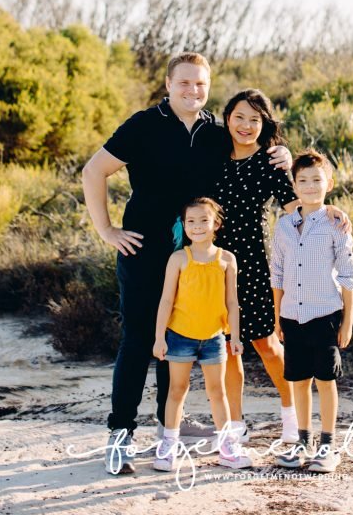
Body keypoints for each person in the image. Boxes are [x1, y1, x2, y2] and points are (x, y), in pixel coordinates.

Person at [81, 52, 291, 475]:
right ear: (168, 84)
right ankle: (119, 436)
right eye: (185, 83)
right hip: (144, 253)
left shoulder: (216, 130)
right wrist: (107, 231)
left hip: (197, 258)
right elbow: (93, 171)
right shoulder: (143, 125)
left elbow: (250, 147)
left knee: (178, 346)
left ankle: (167, 429)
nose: (193, 91)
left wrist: (282, 153)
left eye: (201, 84)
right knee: (140, 342)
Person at [211, 89, 352, 446]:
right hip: (213, 262)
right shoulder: (211, 154)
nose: (245, 126)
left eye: (254, 120)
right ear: (227, 118)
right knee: (227, 347)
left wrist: (330, 213)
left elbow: (298, 208)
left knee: (267, 345)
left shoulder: (271, 163)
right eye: (239, 117)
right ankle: (235, 424)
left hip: (253, 263)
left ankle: (291, 415)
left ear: (265, 124)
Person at [270, 149, 353, 474]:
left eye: (316, 180)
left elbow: (348, 275)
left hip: (325, 316)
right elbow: (277, 273)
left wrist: (347, 321)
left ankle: (327, 445)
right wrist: (279, 316)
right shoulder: (284, 226)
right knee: (299, 381)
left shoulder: (336, 225)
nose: (310, 186)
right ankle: (302, 443)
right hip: (292, 316)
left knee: (325, 380)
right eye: (303, 180)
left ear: (328, 183)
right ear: (293, 185)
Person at [152, 197, 253, 471]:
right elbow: (165, 301)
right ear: (183, 226)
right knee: (177, 390)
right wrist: (159, 337)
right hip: (179, 336)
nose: (197, 226)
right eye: (191, 221)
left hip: (214, 337)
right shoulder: (178, 258)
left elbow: (232, 302)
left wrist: (235, 336)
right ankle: (168, 447)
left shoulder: (226, 260)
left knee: (217, 392)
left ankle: (227, 447)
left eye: (204, 220)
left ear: (216, 223)